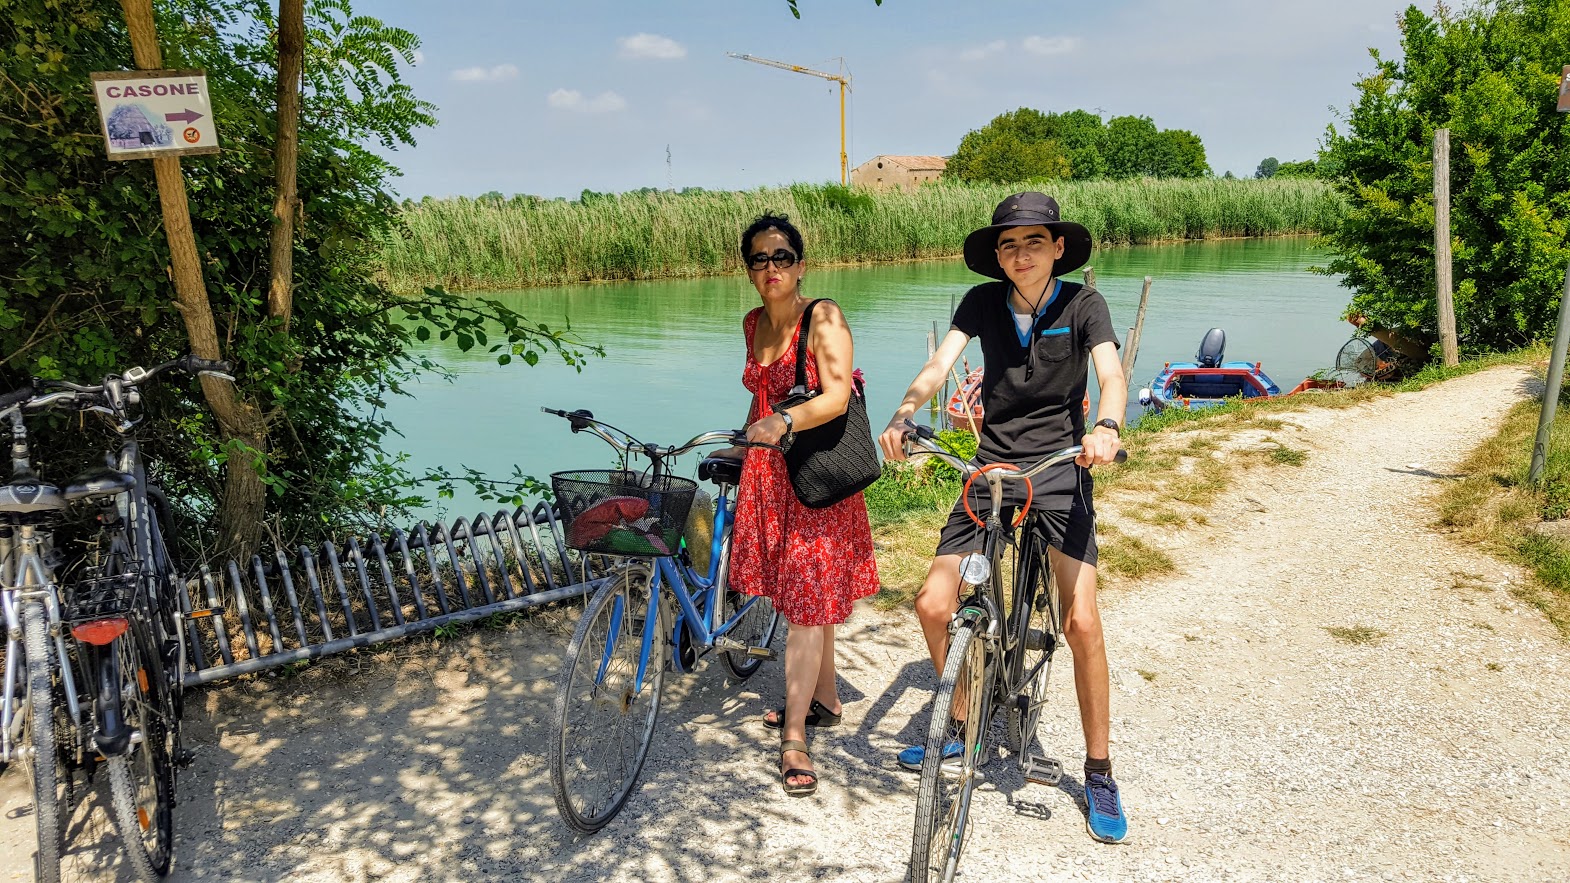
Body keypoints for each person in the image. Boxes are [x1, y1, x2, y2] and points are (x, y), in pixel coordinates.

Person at [876, 192, 1130, 844]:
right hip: (990, 472)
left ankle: (1099, 767)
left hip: (1060, 468)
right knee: (934, 603)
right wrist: (906, 411)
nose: (1021, 254)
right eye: (1009, 244)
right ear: (997, 254)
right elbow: (941, 364)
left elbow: (1111, 371)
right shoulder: (982, 303)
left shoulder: (1083, 304)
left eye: (1034, 241)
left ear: (1058, 247)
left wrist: (1107, 423)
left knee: (1080, 619)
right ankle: (962, 725)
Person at [728, 212, 880, 797]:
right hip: (768, 476)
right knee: (804, 601)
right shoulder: (751, 323)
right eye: (760, 260)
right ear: (749, 271)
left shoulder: (825, 317)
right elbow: (758, 400)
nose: (772, 269)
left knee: (807, 606)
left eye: (782, 257)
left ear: (800, 264)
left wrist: (783, 419)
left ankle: (795, 737)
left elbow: (838, 397)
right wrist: (741, 444)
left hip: (815, 478)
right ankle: (826, 698)